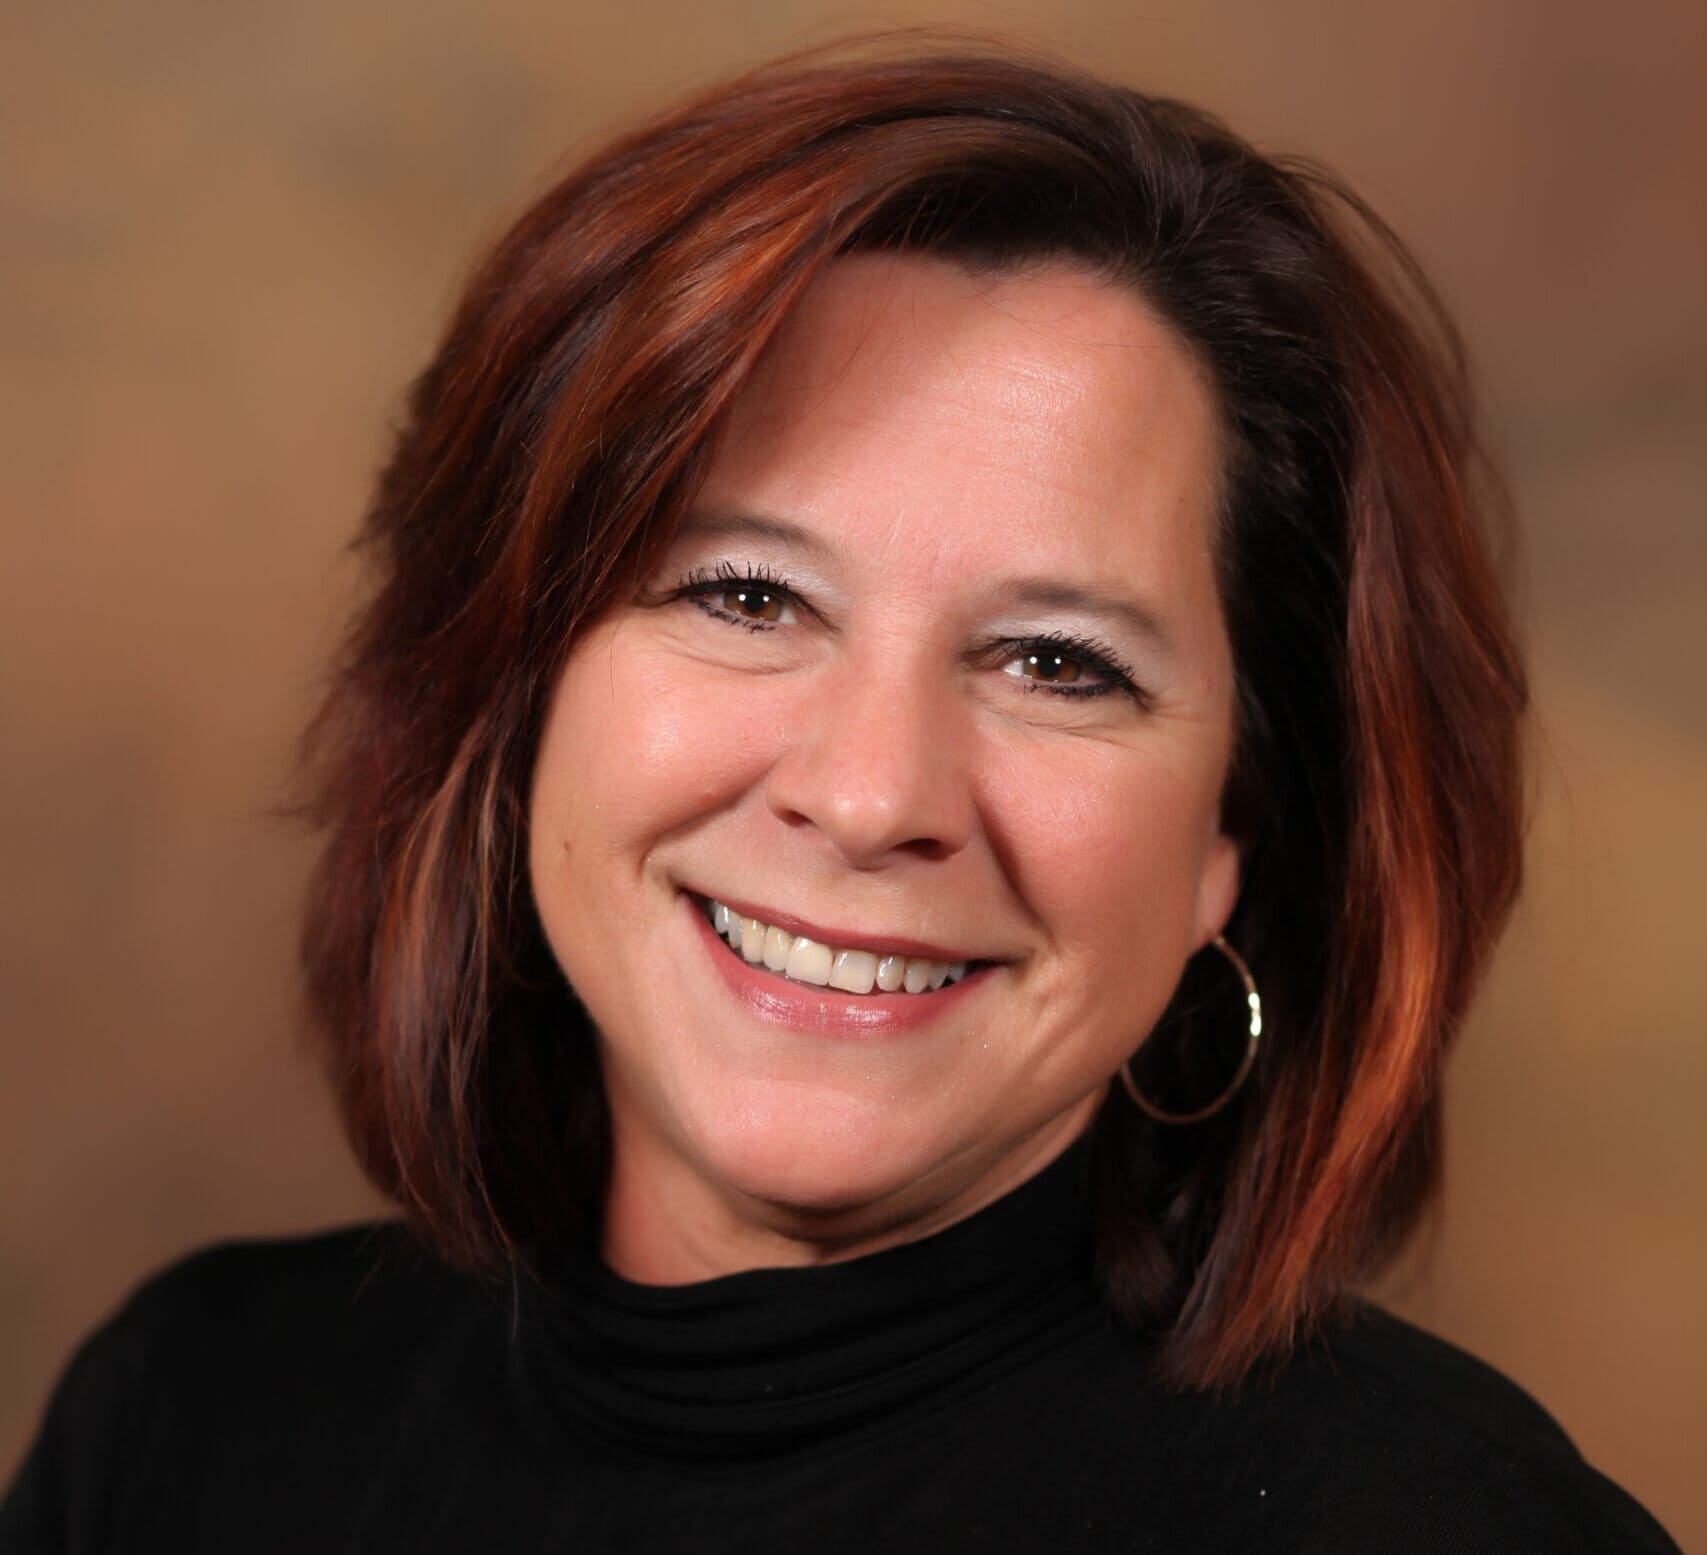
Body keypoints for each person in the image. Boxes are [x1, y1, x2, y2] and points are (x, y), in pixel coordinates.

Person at [0, 36, 1682, 1554]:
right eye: (746, 597)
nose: (873, 797)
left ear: (1230, 846)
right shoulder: (189, 1426)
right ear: (508, 693)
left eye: (1057, 664)